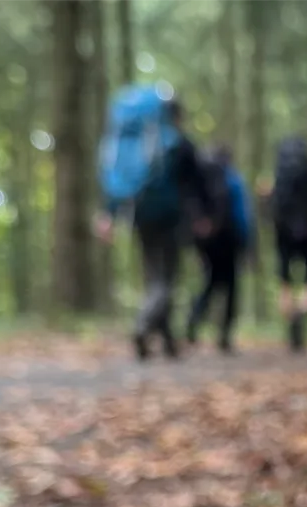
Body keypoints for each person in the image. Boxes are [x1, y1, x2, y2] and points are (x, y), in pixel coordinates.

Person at [94, 85, 212, 361]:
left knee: (152, 274)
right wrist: (201, 217)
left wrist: (108, 213)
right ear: (175, 115)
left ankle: (167, 342)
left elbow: (117, 180)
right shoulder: (178, 144)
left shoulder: (134, 141)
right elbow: (196, 185)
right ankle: (143, 324)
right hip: (170, 217)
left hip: (139, 213)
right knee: (166, 279)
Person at [187, 144, 252, 354]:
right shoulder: (233, 180)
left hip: (207, 241)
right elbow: (242, 216)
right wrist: (248, 245)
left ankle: (194, 319)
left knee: (210, 282)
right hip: (230, 240)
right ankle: (224, 334)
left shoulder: (200, 179)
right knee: (231, 287)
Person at [270, 136, 307, 353]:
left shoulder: (280, 169)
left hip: (282, 231)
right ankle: (300, 312)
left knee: (284, 282)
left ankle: (291, 315)